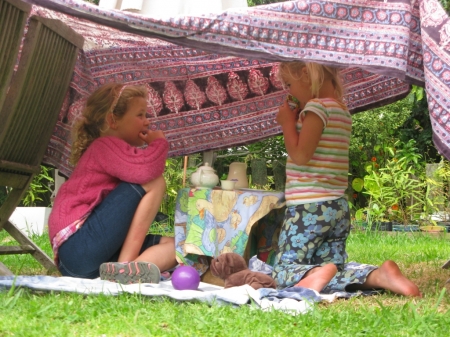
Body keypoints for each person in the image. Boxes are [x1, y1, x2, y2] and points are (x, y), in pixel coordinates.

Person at [272, 61, 421, 297]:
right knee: (334, 267)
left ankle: (314, 276)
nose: (288, 91)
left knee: (282, 271)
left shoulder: (316, 108)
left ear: (306, 74)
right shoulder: (340, 109)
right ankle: (377, 276)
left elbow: (301, 155)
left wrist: (287, 124)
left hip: (308, 207)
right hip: (336, 208)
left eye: (289, 84)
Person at [48, 83, 177, 284]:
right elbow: (146, 170)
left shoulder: (115, 153)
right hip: (79, 248)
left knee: (176, 247)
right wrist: (159, 143)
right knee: (155, 182)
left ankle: (126, 273)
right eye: (140, 115)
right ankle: (125, 265)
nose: (147, 122)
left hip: (92, 260)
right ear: (112, 120)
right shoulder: (104, 146)